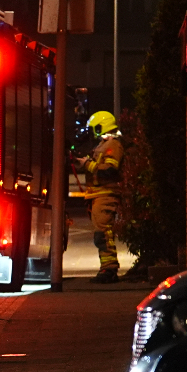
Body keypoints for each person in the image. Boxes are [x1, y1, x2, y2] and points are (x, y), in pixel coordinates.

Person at [78, 110, 125, 283]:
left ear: (101, 126)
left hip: (106, 196)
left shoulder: (113, 145)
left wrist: (88, 164)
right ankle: (107, 267)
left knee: (103, 234)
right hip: (98, 195)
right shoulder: (104, 145)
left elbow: (110, 170)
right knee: (101, 234)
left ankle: (109, 269)